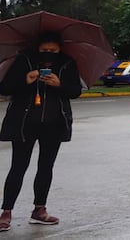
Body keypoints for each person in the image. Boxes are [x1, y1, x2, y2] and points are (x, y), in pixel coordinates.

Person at [0, 31, 81, 231]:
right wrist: (26, 79)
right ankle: (6, 212)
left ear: (60, 49)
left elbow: (75, 91)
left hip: (54, 124)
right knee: (18, 166)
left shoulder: (67, 63)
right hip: (24, 123)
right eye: (44, 50)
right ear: (37, 48)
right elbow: (5, 88)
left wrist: (59, 84)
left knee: (46, 167)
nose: (48, 53)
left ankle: (39, 210)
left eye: (53, 50)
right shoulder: (25, 60)